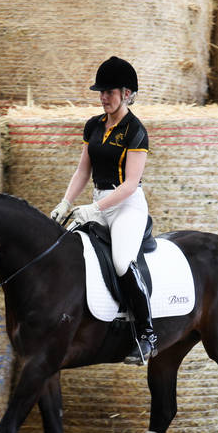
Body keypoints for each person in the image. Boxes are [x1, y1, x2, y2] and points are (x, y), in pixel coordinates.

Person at [50, 56, 156, 365]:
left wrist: (93, 208)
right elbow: (83, 171)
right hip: (96, 203)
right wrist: (66, 203)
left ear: (126, 93)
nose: (103, 97)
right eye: (101, 92)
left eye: (109, 92)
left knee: (122, 261)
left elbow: (130, 185)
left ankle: (147, 334)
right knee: (64, 248)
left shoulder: (136, 131)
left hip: (126, 207)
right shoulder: (93, 125)